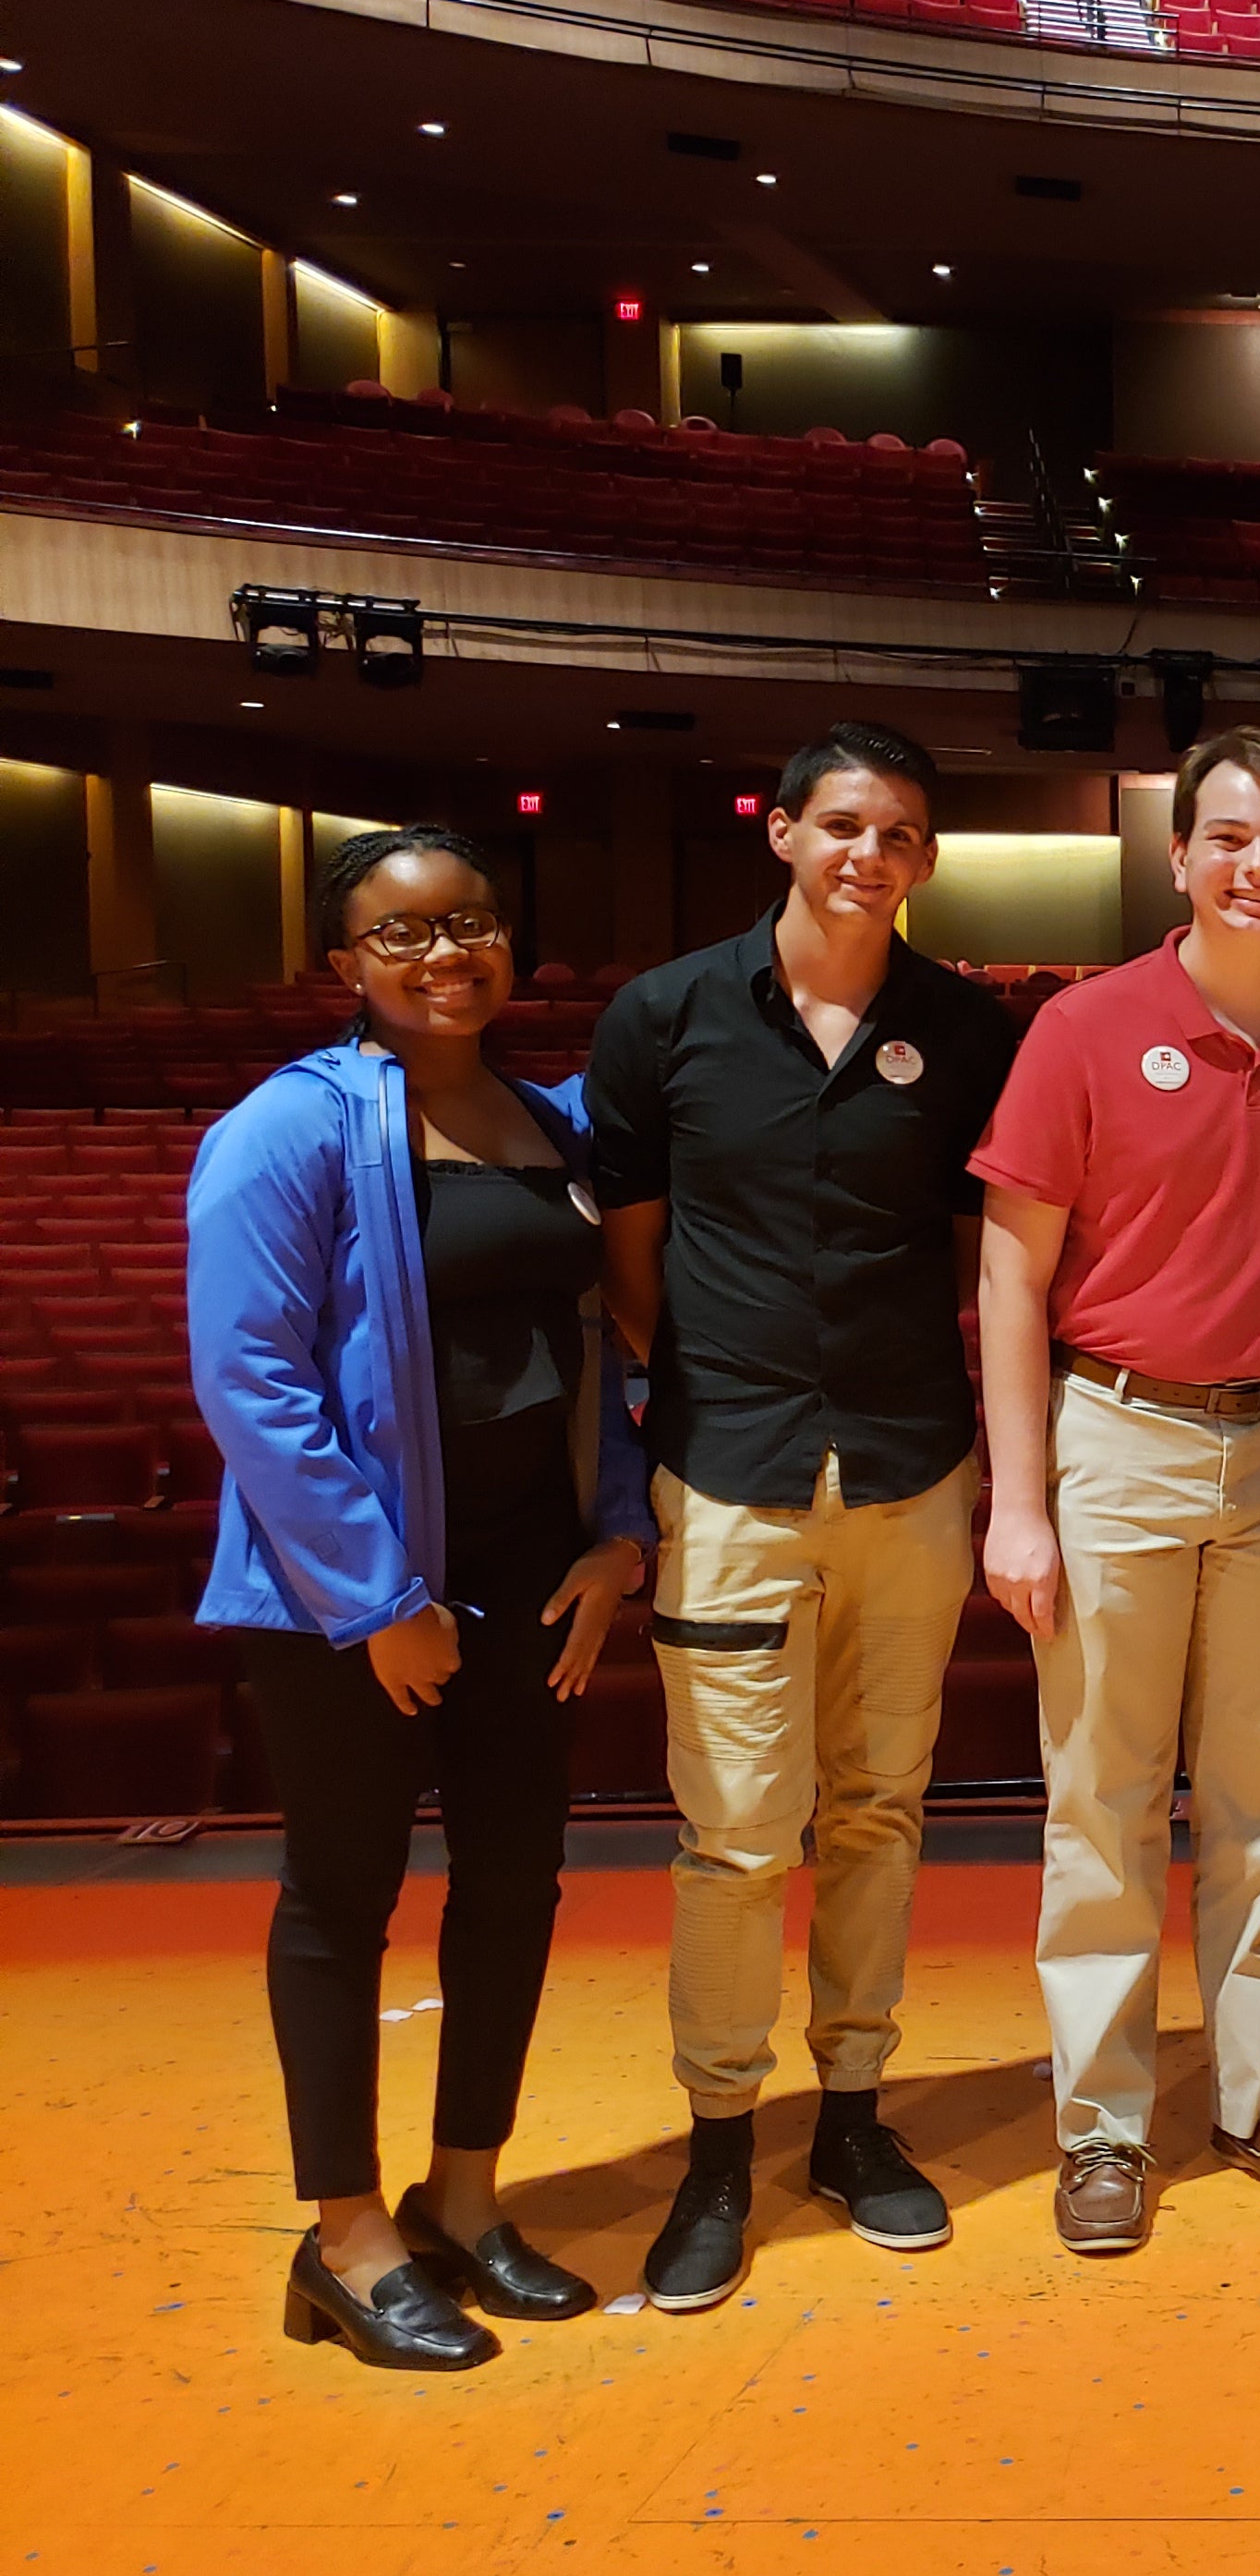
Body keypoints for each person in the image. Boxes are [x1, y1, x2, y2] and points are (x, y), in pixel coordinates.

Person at [190, 826, 648, 2370]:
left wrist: (614, 1533)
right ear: (347, 965)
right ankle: (346, 2236)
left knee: (515, 1885)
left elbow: (594, 1346)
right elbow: (249, 1380)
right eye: (403, 934)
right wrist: (379, 1597)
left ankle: (464, 2196)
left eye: (469, 925)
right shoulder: (290, 1128)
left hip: (532, 1577)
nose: (445, 953)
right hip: (352, 1596)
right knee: (343, 1897)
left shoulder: (552, 1123)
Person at [586, 721, 1021, 2311]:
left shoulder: (965, 1033)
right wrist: (699, 1379)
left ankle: (853, 2119)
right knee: (736, 1835)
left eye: (902, 834)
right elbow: (629, 1251)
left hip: (910, 1468)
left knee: (880, 1812)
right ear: (782, 831)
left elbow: (988, 1255)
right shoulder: (668, 1019)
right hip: (734, 1472)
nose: (871, 855)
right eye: (844, 823)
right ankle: (718, 2144)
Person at [972, 731, 1260, 2256]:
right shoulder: (1086, 1030)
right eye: (1227, 838)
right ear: (1178, 862)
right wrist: (1020, 1501)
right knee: (1103, 1802)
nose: (1254, 866)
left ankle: (1256, 2093)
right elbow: (1012, 1279)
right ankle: (1101, 2121)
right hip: (1118, 1440)